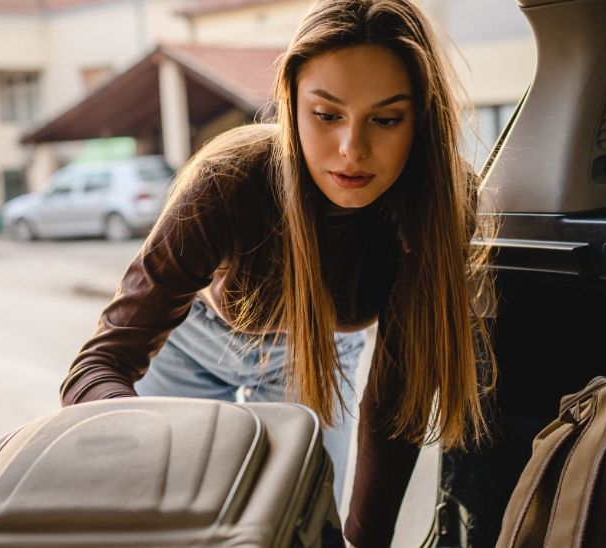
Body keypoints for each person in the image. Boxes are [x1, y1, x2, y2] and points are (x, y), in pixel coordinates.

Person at [58, 0, 496, 545]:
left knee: (310, 524)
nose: (351, 150)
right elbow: (97, 365)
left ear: (422, 117)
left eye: (385, 119)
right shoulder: (227, 181)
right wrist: (153, 449)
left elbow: (394, 403)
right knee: (183, 522)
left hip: (320, 350)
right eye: (326, 114)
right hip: (191, 341)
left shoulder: (442, 203)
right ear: (291, 103)